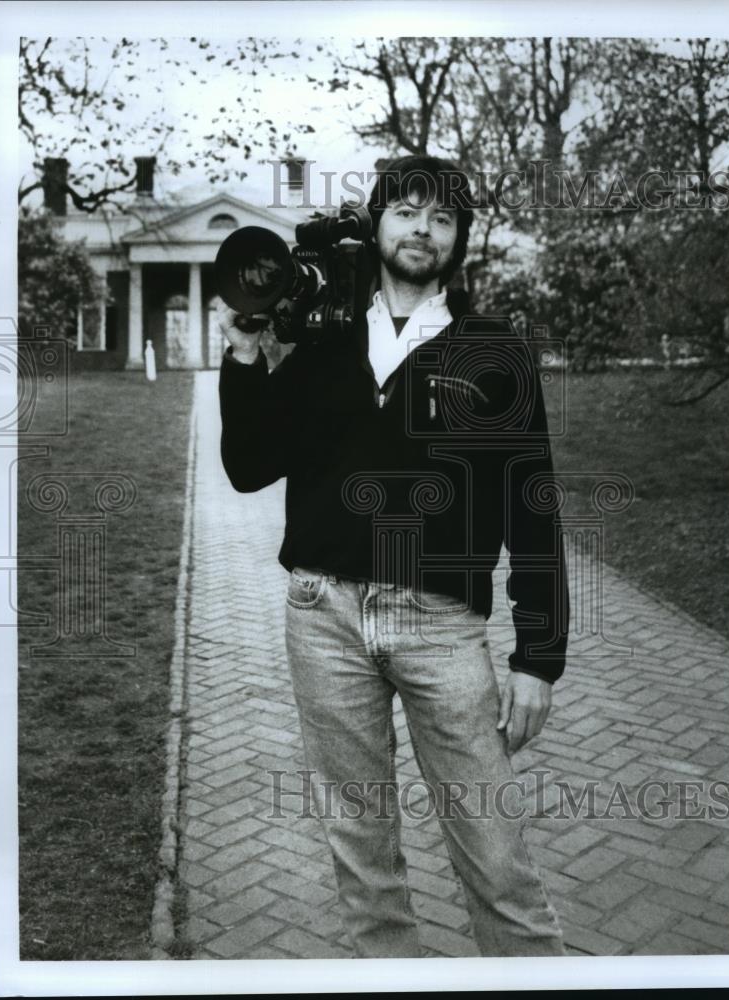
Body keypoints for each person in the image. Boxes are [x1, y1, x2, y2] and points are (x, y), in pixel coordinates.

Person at [217, 155, 569, 958]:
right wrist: (244, 357)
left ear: (458, 240)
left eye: (442, 218)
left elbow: (534, 505)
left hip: (441, 626)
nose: (422, 228)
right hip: (322, 617)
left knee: (497, 861)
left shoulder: (494, 351)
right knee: (361, 856)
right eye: (406, 211)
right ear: (376, 225)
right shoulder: (322, 342)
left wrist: (539, 657)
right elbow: (247, 467)